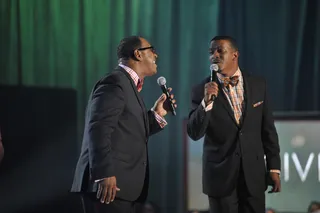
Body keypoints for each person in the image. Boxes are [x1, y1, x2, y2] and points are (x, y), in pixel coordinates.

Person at [71, 36, 177, 213]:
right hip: (108, 187)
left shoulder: (129, 86)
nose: (156, 55)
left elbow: (127, 132)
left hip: (122, 189)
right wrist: (104, 173)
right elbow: (98, 127)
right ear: (138, 54)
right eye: (152, 50)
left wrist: (157, 114)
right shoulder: (115, 82)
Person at [187, 36, 281, 213]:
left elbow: (268, 130)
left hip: (253, 176)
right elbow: (194, 132)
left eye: (219, 50)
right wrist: (205, 103)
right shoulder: (201, 89)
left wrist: (274, 167)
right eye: (211, 52)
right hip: (220, 177)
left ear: (234, 55)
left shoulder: (258, 84)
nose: (214, 55)